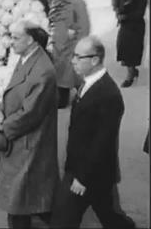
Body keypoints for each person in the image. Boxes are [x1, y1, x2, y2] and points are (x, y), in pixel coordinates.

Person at [51, 36, 136, 229]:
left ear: (95, 60)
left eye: (78, 57)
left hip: (89, 174)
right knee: (110, 215)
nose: (73, 61)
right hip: (87, 170)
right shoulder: (88, 82)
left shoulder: (108, 94)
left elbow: (102, 141)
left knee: (63, 220)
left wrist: (82, 177)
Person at [0, 20, 59, 229]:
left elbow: (30, 113)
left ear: (31, 40)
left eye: (16, 37)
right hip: (21, 136)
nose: (11, 42)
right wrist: (0, 110)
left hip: (30, 139)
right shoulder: (27, 59)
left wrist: (3, 126)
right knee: (23, 196)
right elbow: (12, 90)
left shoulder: (43, 71)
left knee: (19, 199)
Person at [51, 0, 91, 109]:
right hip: (59, 47)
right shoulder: (57, 2)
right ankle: (64, 99)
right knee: (61, 75)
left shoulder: (77, 2)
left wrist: (79, 46)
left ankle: (83, 98)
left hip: (71, 47)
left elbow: (85, 27)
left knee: (73, 75)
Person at [112, 0, 148, 88]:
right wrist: (117, 11)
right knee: (123, 48)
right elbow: (115, 1)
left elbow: (139, 13)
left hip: (135, 26)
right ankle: (132, 70)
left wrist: (125, 16)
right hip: (125, 26)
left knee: (132, 51)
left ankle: (130, 76)